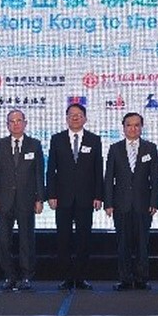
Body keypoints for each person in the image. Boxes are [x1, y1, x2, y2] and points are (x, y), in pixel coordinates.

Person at [47, 103, 103, 290]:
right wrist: (51, 194)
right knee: (63, 239)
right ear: (66, 118)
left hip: (86, 198)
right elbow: (51, 169)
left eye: (79, 115)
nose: (75, 117)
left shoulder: (94, 140)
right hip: (62, 197)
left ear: (85, 118)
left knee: (83, 239)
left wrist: (98, 195)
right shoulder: (57, 139)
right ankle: (66, 277)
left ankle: (81, 277)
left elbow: (98, 169)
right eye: (71, 115)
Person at [0, 109, 45, 291]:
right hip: (3, 200)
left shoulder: (34, 145)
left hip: (26, 200)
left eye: (19, 120)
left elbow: (39, 174)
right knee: (4, 241)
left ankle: (26, 276)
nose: (16, 124)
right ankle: (9, 276)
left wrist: (40, 198)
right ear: (7, 125)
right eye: (12, 121)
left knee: (27, 240)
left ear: (25, 123)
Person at [103, 112, 158, 291]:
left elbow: (155, 177)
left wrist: (155, 201)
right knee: (123, 244)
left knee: (143, 243)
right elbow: (109, 177)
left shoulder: (150, 148)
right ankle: (125, 279)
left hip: (143, 204)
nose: (133, 128)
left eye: (136, 125)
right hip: (121, 204)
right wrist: (108, 203)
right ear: (124, 127)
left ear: (141, 127)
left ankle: (142, 279)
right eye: (129, 125)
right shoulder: (115, 148)